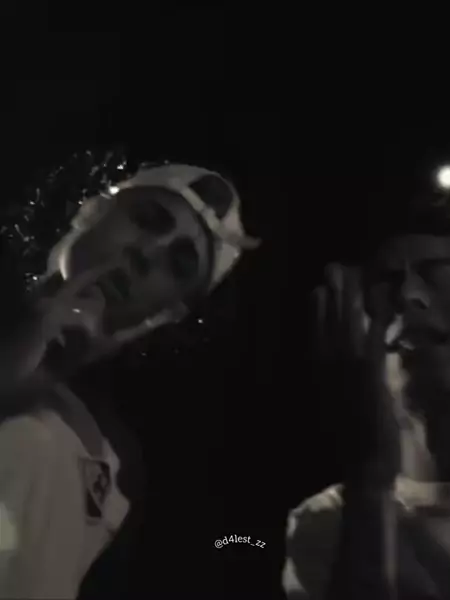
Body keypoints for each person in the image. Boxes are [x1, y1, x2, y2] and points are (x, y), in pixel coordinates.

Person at [0, 163, 259, 599]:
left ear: (171, 311)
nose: (148, 254)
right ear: (92, 209)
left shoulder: (118, 469)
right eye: (148, 219)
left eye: (178, 265)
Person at [283, 213, 450, 599]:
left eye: (437, 274)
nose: (408, 296)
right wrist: (369, 485)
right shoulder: (324, 524)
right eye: (385, 285)